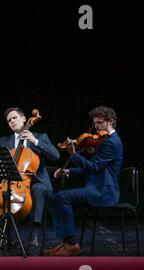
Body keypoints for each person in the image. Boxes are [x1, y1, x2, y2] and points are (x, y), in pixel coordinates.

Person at [46, 106, 123, 256]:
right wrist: (68, 171)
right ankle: (67, 241)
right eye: (95, 123)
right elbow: (92, 168)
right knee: (55, 198)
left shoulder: (111, 142)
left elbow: (93, 167)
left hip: (103, 192)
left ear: (110, 121)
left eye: (100, 123)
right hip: (97, 188)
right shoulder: (105, 140)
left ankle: (72, 243)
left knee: (61, 197)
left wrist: (74, 154)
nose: (96, 127)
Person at [0, 107, 60, 248]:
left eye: (14, 117)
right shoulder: (4, 141)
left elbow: (55, 155)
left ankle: (34, 235)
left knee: (38, 189)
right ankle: (7, 234)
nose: (12, 121)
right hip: (12, 183)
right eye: (9, 120)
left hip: (36, 182)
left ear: (24, 119)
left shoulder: (40, 136)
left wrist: (35, 141)